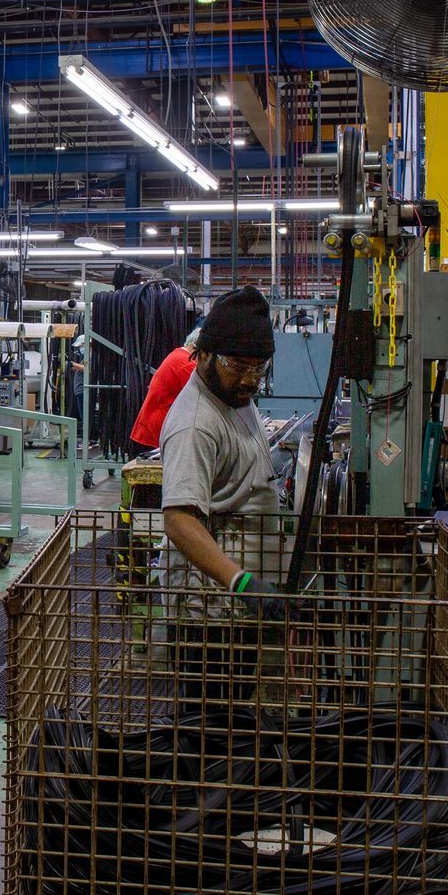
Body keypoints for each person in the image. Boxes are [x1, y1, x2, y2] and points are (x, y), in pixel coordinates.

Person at [157, 287, 286, 712]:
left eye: (259, 367)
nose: (250, 378)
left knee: (229, 722)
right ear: (204, 354)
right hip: (208, 616)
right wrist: (241, 581)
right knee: (207, 727)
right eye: (238, 366)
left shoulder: (235, 397)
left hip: (235, 611)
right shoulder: (195, 424)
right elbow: (179, 519)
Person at [128, 326, 201, 451]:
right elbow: (205, 394)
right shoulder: (186, 364)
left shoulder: (178, 354)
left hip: (154, 428)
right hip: (157, 432)